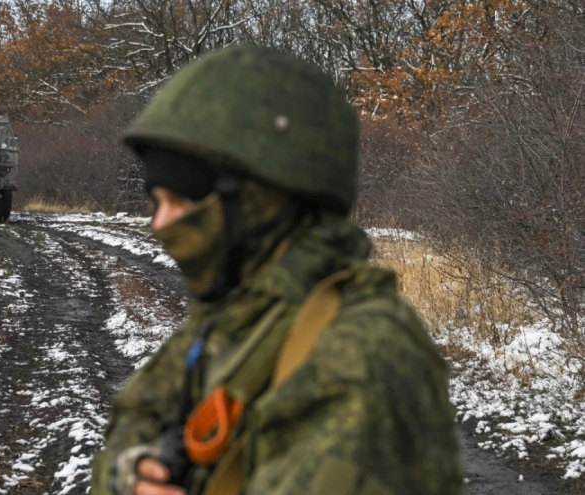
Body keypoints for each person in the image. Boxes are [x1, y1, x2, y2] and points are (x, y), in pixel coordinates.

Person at [90, 45, 464, 495]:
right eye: (156, 202)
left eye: (184, 200)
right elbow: (137, 419)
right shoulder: (237, 317)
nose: (160, 224)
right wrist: (132, 472)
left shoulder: (361, 357)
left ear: (261, 199)